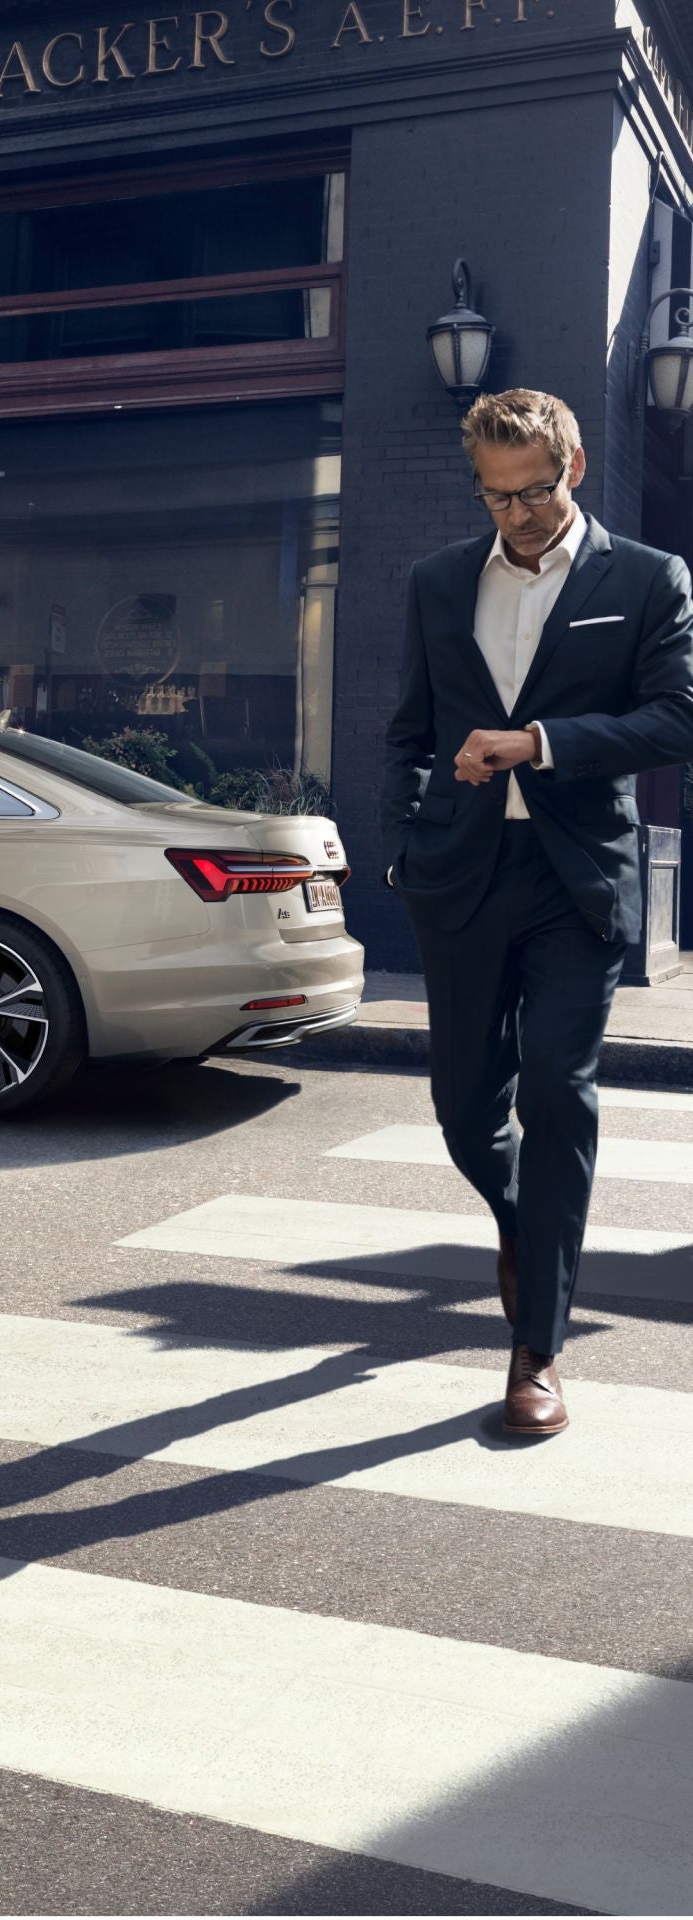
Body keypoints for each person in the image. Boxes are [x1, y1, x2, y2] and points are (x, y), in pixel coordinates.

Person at [381, 388, 693, 1435]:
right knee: (467, 1111)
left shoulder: (646, 579)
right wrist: (406, 842)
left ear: (576, 467)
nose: (515, 516)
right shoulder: (436, 581)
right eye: (495, 496)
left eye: (536, 492)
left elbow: (677, 717)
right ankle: (529, 1226)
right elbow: (408, 729)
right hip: (461, 877)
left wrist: (542, 742)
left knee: (559, 1087)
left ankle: (538, 1349)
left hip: (577, 878)